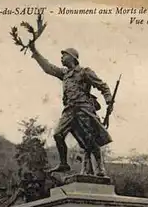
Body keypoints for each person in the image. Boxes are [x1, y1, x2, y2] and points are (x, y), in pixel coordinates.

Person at [29, 44, 113, 176]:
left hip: (83, 109)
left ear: (72, 58)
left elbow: (102, 86)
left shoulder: (85, 72)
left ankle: (100, 168)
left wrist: (108, 99)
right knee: (58, 134)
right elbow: (48, 68)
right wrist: (35, 51)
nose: (61, 58)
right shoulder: (65, 74)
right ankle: (64, 163)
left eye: (64, 55)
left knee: (90, 140)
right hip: (69, 110)